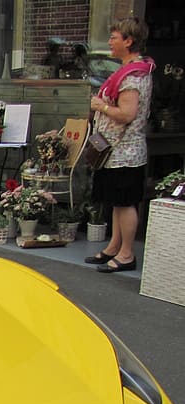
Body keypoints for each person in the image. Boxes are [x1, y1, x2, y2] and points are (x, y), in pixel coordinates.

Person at [84, 17, 155, 273]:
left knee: (125, 202)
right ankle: (114, 246)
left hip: (125, 151)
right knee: (115, 201)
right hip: (112, 152)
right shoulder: (126, 70)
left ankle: (126, 254)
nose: (110, 43)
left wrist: (100, 106)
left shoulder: (134, 76)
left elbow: (127, 113)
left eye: (114, 38)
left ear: (129, 40)